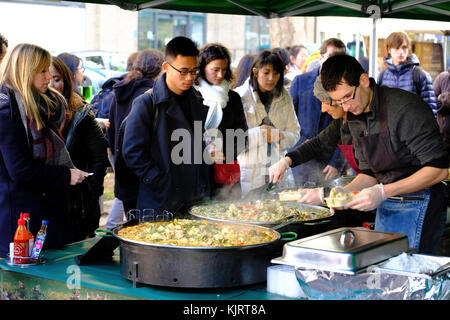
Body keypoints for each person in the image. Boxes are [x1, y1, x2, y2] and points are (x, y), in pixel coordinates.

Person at [321, 54, 448, 254]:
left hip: (420, 204)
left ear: (364, 81)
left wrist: (383, 191)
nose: (345, 107)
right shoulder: (355, 116)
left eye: (347, 97)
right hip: (386, 206)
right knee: (383, 271)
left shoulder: (405, 109)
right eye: (338, 102)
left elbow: (439, 170)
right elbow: (369, 174)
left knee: (408, 274)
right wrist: (346, 192)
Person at [0, 43, 89, 257]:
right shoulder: (7, 111)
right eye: (42, 71)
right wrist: (65, 175)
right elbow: (21, 170)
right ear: (25, 71)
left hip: (47, 212)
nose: (48, 77)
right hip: (21, 219)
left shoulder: (44, 105)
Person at [123, 36, 211, 216]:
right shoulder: (146, 103)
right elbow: (132, 152)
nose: (189, 78)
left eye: (194, 71)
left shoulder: (196, 99)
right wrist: (160, 181)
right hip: (159, 201)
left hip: (194, 199)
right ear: (166, 67)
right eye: (183, 71)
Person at [50, 56, 108, 241]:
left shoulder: (81, 112)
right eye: (45, 76)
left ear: (66, 80)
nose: (51, 84)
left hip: (77, 202)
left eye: (57, 79)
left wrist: (90, 195)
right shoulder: (29, 112)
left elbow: (99, 158)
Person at [234, 49, 300, 198]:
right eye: (266, 72)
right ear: (255, 71)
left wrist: (279, 135)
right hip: (250, 174)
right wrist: (260, 134)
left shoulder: (285, 97)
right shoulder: (238, 97)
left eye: (276, 73)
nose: (271, 78)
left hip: (279, 171)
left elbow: (295, 133)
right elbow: (232, 142)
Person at [107, 48, 164, 216]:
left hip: (124, 175)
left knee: (131, 226)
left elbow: (111, 133)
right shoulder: (151, 96)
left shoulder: (120, 92)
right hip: (145, 178)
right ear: (160, 68)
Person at [289, 38, 347, 187]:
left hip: (329, 159)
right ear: (321, 57)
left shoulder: (344, 87)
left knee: (328, 201)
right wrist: (301, 143)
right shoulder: (300, 81)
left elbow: (346, 128)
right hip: (301, 154)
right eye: (330, 57)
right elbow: (288, 119)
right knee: (299, 201)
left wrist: (337, 162)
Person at [195, 43, 248, 200]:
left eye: (224, 70)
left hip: (226, 175)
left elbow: (242, 136)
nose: (220, 75)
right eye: (215, 70)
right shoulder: (192, 97)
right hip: (197, 173)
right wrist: (204, 152)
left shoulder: (233, 98)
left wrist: (224, 153)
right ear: (202, 69)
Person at [378, 31, 437, 117]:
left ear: (409, 49)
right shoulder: (383, 76)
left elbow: (430, 109)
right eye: (396, 48)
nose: (401, 52)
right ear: (389, 50)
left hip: (414, 127)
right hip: (389, 128)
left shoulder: (420, 75)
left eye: (404, 47)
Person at [433, 67, 450, 158]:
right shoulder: (443, 78)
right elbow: (432, 102)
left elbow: (439, 99)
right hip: (444, 138)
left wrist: (443, 97)